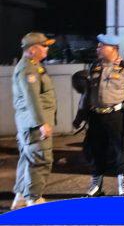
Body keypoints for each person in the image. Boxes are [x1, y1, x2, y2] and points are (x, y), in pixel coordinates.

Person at [79, 34, 124, 196]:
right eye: (98, 46)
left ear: (113, 49)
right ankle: (96, 185)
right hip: (96, 116)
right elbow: (86, 94)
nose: (98, 49)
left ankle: (123, 186)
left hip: (117, 116)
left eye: (101, 46)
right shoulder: (95, 66)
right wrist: (81, 114)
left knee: (121, 151)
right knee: (95, 150)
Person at [11, 33, 57, 209]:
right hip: (35, 125)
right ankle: (34, 199)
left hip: (29, 123)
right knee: (40, 160)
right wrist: (42, 123)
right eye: (44, 46)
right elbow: (32, 98)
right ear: (32, 49)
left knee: (28, 159)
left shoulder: (32, 65)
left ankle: (21, 197)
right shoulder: (28, 69)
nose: (47, 48)